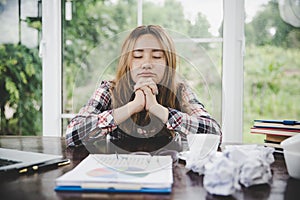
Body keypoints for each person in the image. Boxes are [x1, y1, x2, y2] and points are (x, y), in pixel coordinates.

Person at [65, 25, 222, 152]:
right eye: (138, 56)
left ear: (168, 63)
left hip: (170, 173)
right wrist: (132, 107)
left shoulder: (180, 90)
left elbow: (214, 134)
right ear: (127, 62)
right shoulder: (109, 89)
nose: (146, 63)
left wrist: (158, 109)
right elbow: (72, 134)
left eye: (157, 56)